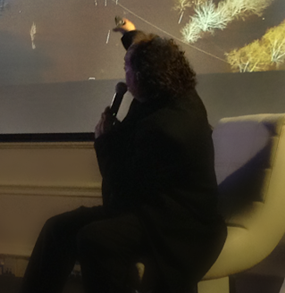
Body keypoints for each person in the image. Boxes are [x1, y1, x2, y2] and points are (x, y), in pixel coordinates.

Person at [19, 20, 227, 293]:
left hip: (175, 224)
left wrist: (104, 141)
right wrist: (130, 33)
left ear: (144, 76)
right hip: (152, 205)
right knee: (57, 228)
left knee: (95, 238)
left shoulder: (167, 128)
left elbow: (120, 193)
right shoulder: (172, 90)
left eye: (127, 69)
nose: (124, 76)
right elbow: (145, 50)